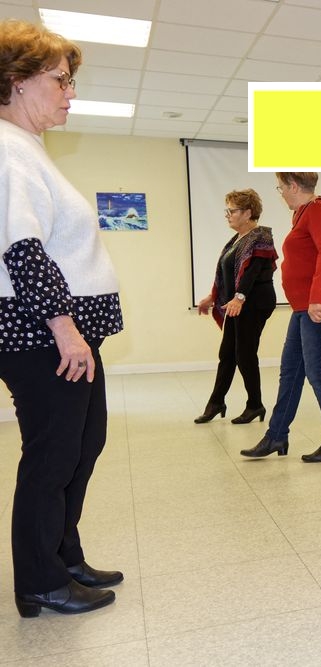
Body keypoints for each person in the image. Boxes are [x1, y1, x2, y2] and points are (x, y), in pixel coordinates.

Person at [0, 19, 124, 616]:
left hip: (63, 332)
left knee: (82, 445)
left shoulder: (29, 149)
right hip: (41, 334)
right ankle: (40, 582)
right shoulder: (7, 148)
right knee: (52, 457)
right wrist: (65, 330)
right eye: (60, 80)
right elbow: (23, 250)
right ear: (17, 81)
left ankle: (64, 555)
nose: (70, 93)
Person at [240, 172, 321, 462]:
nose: (280, 193)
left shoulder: (318, 210)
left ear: (294, 186)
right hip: (305, 307)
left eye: (281, 187)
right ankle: (276, 436)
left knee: (320, 374)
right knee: (290, 371)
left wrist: (316, 298)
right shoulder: (302, 213)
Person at [194, 189, 277, 425]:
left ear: (248, 213)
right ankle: (216, 403)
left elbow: (252, 273)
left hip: (253, 302)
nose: (227, 215)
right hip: (237, 303)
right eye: (227, 210)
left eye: (232, 211)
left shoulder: (260, 237)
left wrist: (239, 298)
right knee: (227, 354)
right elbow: (227, 275)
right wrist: (212, 297)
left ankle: (255, 405)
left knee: (244, 354)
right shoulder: (237, 240)